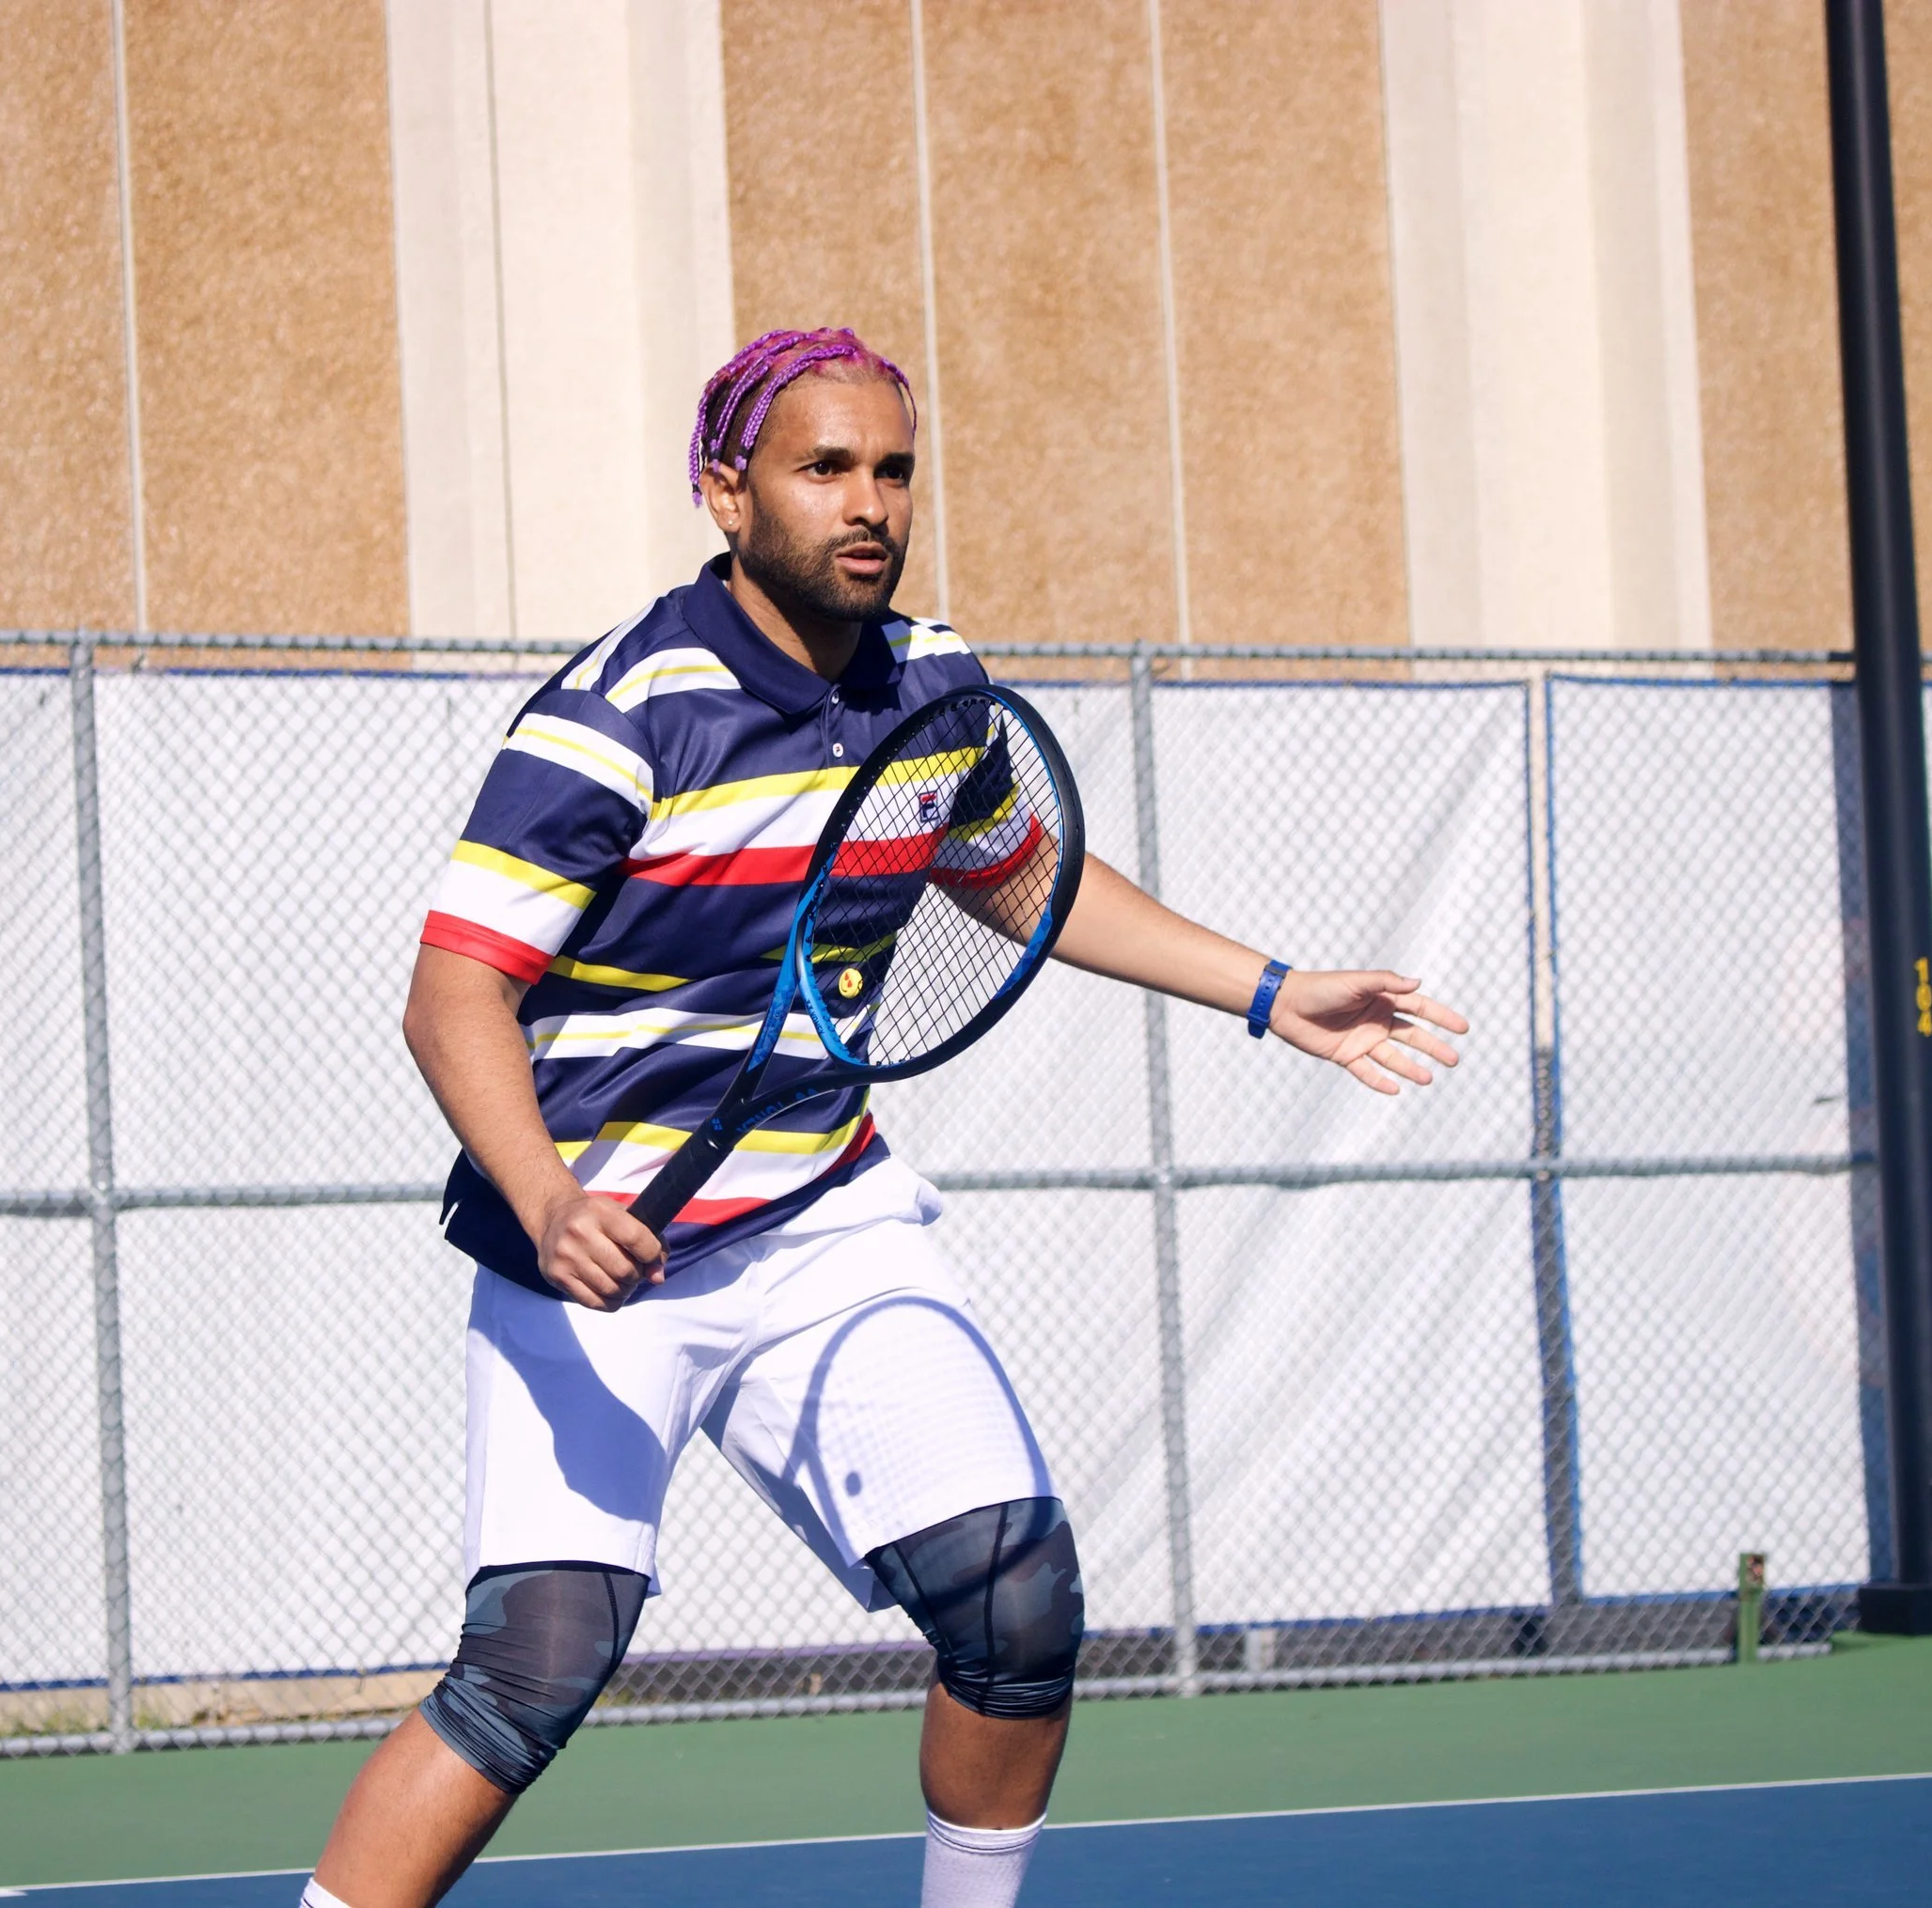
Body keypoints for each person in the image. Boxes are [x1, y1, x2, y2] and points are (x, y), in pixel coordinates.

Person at [302, 328, 1469, 1908]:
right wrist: (549, 1193)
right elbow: (453, 992)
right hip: (590, 1251)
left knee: (1018, 1601)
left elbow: (1022, 879)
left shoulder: (936, 689)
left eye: (894, 468)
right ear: (725, 491)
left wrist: (1269, 990)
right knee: (533, 1670)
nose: (871, 503)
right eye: (825, 467)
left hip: (820, 1220)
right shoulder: (619, 716)